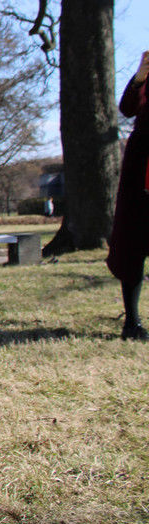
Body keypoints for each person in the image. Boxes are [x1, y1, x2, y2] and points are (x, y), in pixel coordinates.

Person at [107, 50, 149, 341]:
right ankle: (131, 323)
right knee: (133, 244)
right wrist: (139, 78)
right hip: (141, 167)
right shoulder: (145, 75)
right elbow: (126, 108)